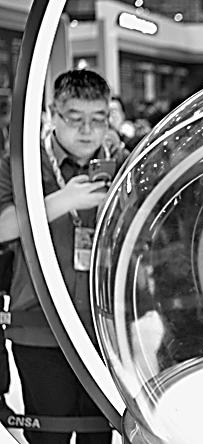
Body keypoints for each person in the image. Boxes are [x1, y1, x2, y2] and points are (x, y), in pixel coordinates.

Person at [0, 69, 129, 443]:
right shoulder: (22, 162)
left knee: (99, 434)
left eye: (99, 119)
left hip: (104, 328)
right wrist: (62, 201)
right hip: (39, 324)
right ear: (53, 116)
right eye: (75, 119)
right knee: (49, 434)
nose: (87, 131)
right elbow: (3, 227)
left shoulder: (125, 162)